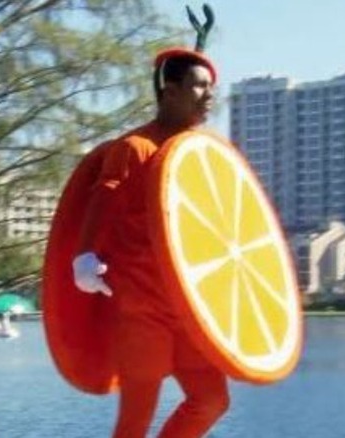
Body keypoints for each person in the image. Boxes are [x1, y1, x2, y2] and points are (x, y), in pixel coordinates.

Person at [71, 47, 229, 438]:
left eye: (211, 88)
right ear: (169, 92)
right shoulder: (135, 148)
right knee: (134, 422)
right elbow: (103, 198)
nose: (209, 96)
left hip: (189, 311)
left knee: (211, 400)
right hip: (141, 313)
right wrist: (85, 256)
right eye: (199, 86)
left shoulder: (203, 154)